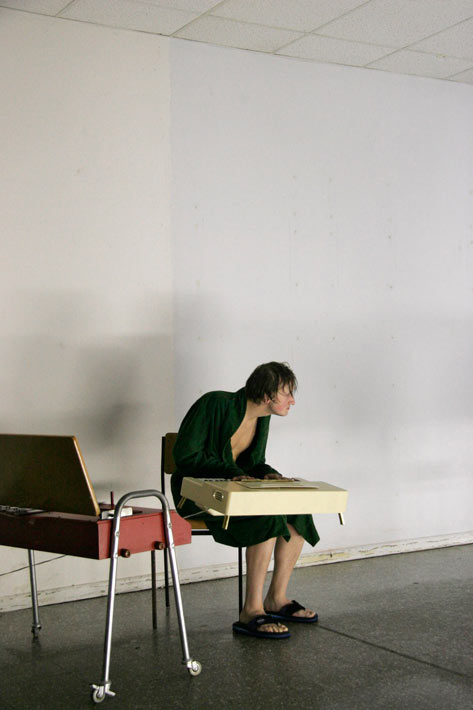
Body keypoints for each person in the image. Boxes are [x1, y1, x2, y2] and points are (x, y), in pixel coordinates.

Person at [171, 362, 320, 639]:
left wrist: (270, 474)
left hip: (233, 492)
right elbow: (185, 456)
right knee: (266, 516)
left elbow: (253, 463)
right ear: (267, 396)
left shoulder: (262, 418)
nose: (292, 400)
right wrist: (231, 472)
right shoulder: (214, 403)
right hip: (193, 493)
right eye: (287, 393)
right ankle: (251, 610)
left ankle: (276, 598)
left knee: (297, 513)